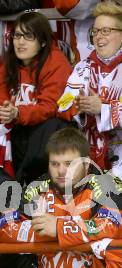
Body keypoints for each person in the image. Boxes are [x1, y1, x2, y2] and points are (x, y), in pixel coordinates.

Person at [0, 127, 122, 268]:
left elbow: (115, 226)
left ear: (86, 165)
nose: (61, 171)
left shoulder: (107, 184)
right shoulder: (37, 189)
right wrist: (49, 232)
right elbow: (6, 227)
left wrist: (59, 228)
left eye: (69, 164)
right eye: (54, 164)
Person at [57, 1, 122, 196]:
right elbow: (63, 105)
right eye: (95, 31)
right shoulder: (84, 66)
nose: (98, 37)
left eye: (106, 31)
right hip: (93, 151)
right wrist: (79, 107)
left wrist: (104, 109)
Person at [0, 11, 72, 184]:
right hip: (16, 130)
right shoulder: (9, 62)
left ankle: (23, 184)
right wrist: (6, 111)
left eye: (28, 36)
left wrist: (17, 113)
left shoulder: (56, 62)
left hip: (44, 132)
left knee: (52, 125)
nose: (20, 42)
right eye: (17, 35)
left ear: (43, 41)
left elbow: (50, 107)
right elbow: (2, 95)